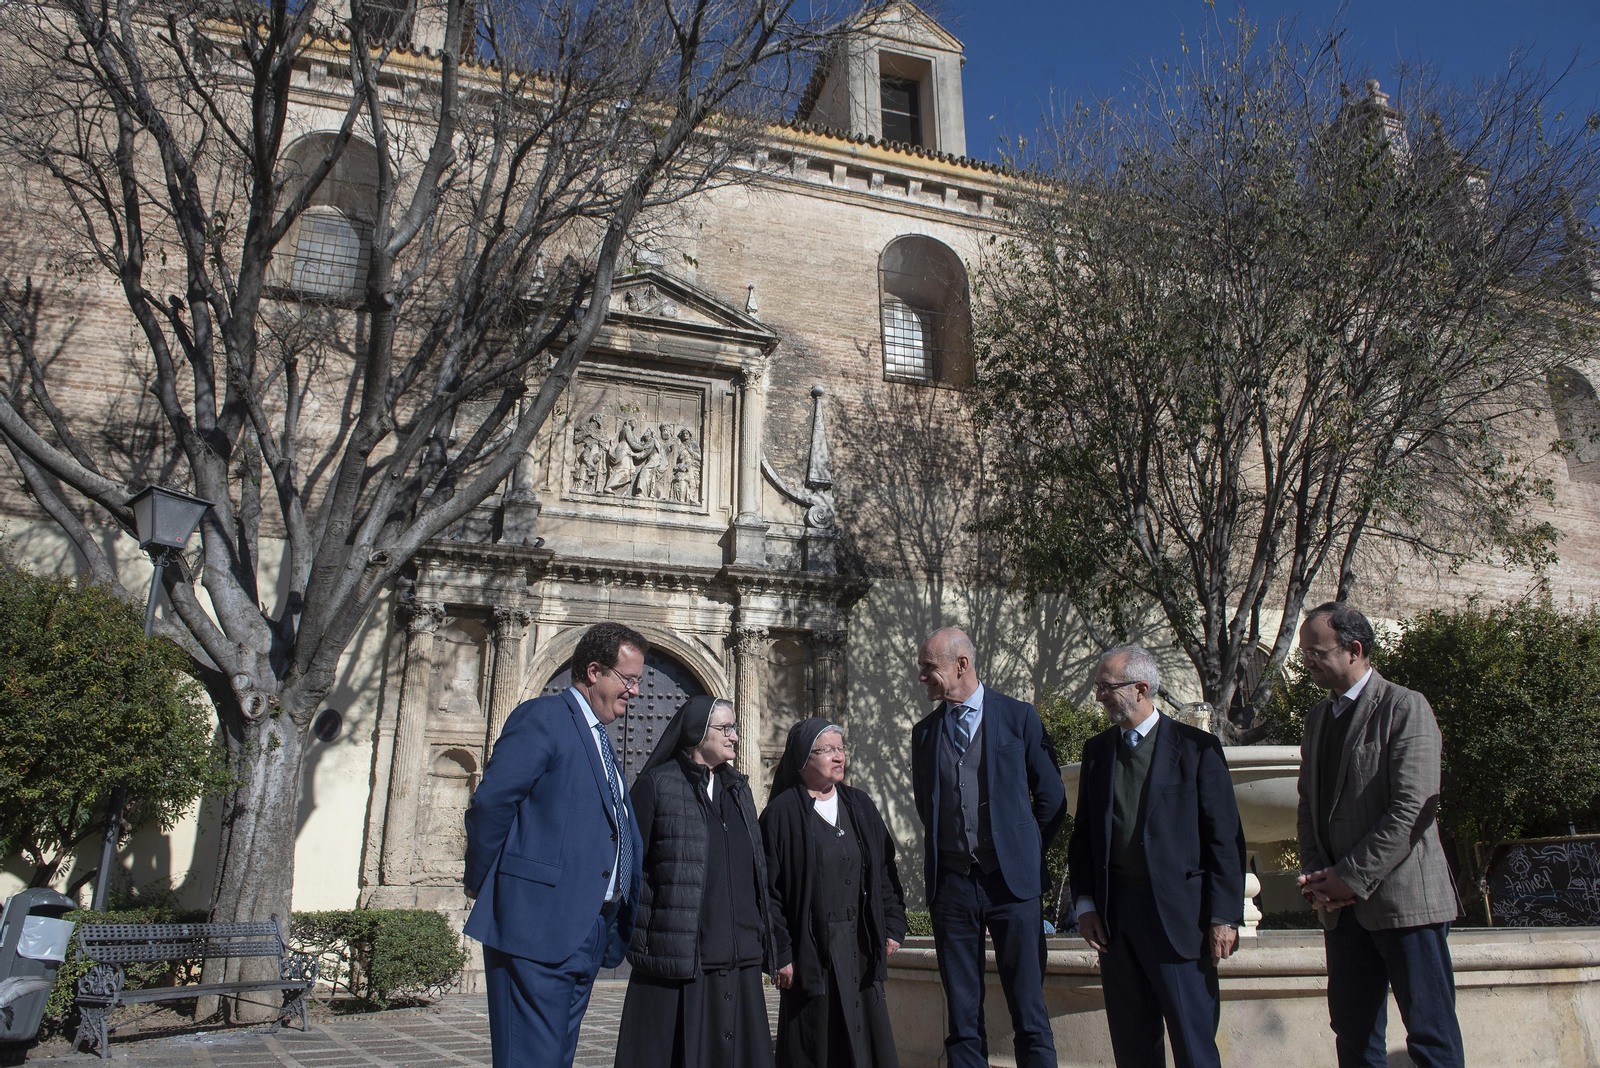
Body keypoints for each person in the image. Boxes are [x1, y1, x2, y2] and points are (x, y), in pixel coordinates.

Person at [463, 622, 647, 1068]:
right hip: (534, 923)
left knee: (556, 1058)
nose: (636, 691)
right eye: (628, 679)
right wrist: (491, 886)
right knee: (530, 1058)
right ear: (594, 671)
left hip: (585, 929)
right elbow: (491, 804)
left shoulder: (598, 737)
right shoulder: (542, 717)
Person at [1294, 602, 1464, 1068]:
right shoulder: (1317, 719)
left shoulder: (1404, 706)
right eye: (1304, 653)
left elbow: (1413, 807)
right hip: (1340, 911)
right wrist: (1318, 876)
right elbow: (1308, 805)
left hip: (1405, 903)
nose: (1307, 662)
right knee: (1353, 1036)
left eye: (1316, 653)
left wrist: (1349, 877)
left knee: (1431, 1035)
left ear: (1354, 650)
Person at [1067, 646, 1247, 1068]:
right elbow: (1084, 835)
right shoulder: (1098, 752)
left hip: (1180, 920)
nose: (1099, 696)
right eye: (1098, 687)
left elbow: (1224, 839)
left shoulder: (1197, 748)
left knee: (1193, 1046)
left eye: (1107, 687)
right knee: (1133, 1046)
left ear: (1141, 689)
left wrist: (1224, 916)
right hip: (1116, 919)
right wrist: (1086, 904)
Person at [909, 626, 1066, 1068]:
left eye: (929, 667)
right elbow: (928, 806)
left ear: (961, 665)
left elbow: (1052, 798)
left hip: (1013, 887)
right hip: (953, 888)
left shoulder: (1018, 717)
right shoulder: (924, 734)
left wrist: (1022, 850)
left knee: (1029, 1012)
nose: (922, 677)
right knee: (962, 1019)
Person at [613, 695, 777, 1068]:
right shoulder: (657, 785)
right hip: (678, 959)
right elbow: (628, 866)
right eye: (726, 728)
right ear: (696, 734)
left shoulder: (739, 790)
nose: (735, 736)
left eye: (734, 728)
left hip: (738, 958)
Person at [762, 718, 909, 1068]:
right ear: (803, 758)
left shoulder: (861, 805)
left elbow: (884, 870)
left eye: (840, 748)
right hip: (812, 951)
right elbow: (768, 893)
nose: (839, 756)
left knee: (867, 1041)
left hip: (860, 945)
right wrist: (780, 952)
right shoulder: (781, 815)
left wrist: (892, 924)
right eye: (827, 750)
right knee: (817, 1045)